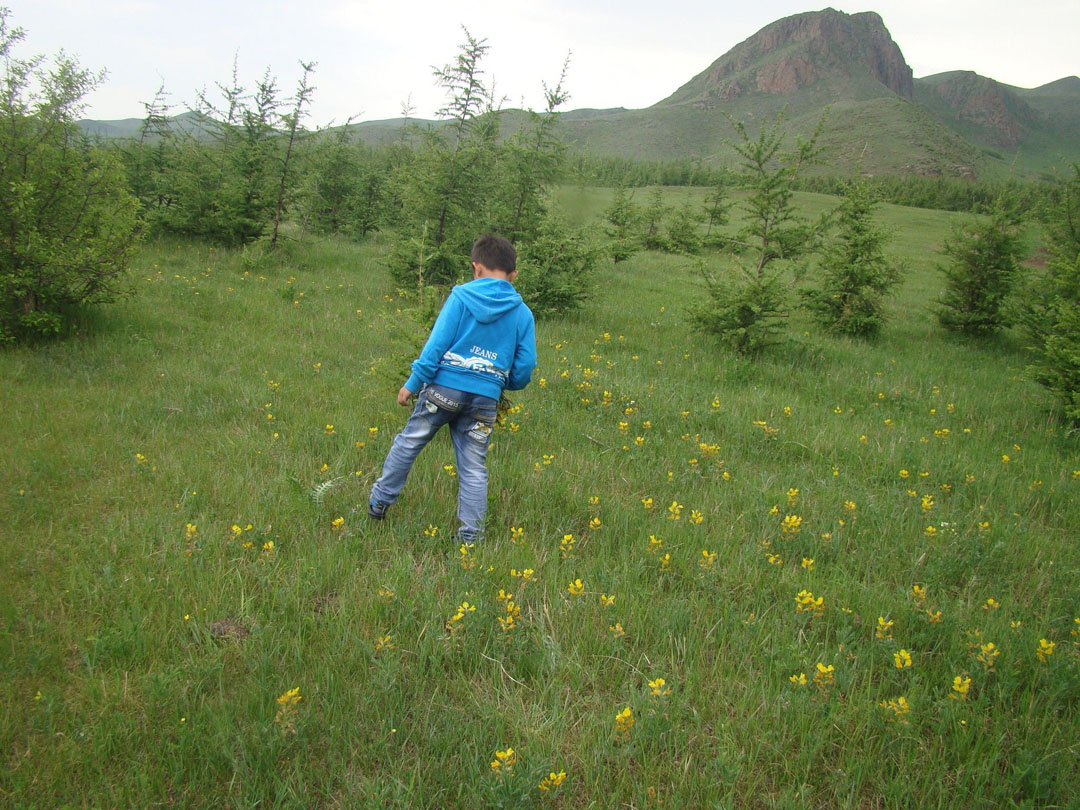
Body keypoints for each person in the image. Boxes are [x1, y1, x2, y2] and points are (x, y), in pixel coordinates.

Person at [368, 234, 536, 542]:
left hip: (442, 390)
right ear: (513, 274)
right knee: (474, 466)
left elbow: (437, 345)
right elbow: (525, 366)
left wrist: (412, 384)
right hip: (485, 397)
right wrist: (502, 381)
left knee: (409, 443)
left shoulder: (460, 297)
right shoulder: (522, 313)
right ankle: (470, 537)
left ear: (476, 267)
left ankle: (379, 502)